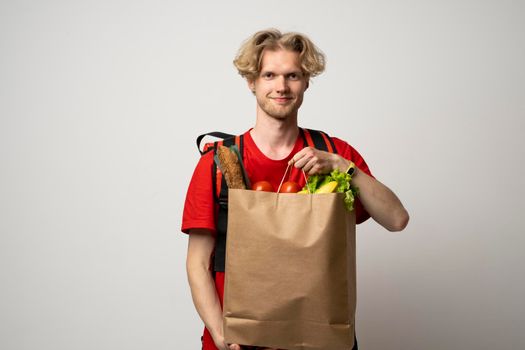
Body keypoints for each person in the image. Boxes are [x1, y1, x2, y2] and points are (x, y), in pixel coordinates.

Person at [182, 28, 409, 350]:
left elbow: (396, 219)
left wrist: (345, 167)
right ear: (252, 82)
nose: (281, 87)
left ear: (306, 82)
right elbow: (197, 262)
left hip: (318, 337)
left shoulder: (333, 153)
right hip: (238, 339)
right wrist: (220, 334)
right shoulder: (218, 162)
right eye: (269, 75)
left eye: (293, 75)